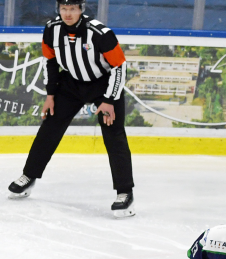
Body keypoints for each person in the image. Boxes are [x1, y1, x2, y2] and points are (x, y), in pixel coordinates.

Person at [7, 0, 135, 217]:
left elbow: (119, 66)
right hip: (71, 84)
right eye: (64, 9)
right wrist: (50, 95)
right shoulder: (51, 29)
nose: (68, 13)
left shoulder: (100, 33)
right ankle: (29, 176)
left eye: (73, 9)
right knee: (49, 128)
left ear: (81, 10)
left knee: (114, 135)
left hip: (103, 85)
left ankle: (125, 193)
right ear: (58, 9)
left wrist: (109, 100)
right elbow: (50, 62)